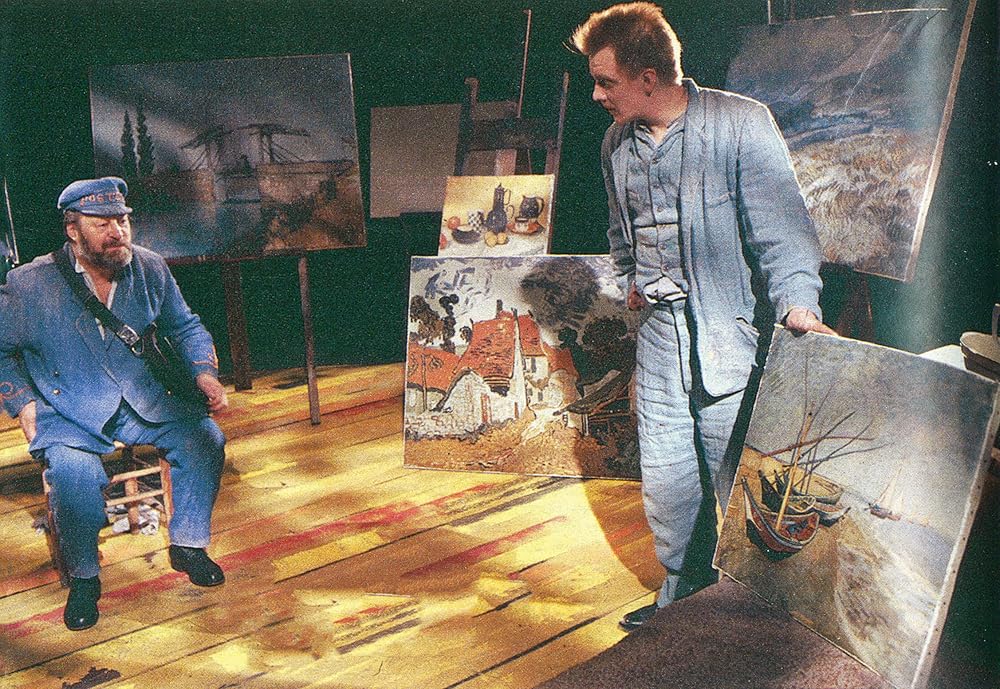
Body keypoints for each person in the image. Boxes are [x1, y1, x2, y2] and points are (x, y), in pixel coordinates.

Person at [571, 3, 836, 631]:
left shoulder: (739, 124)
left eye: (605, 81)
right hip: (659, 341)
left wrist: (799, 304)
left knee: (737, 480)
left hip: (727, 335)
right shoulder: (615, 144)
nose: (596, 94)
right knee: (668, 481)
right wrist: (631, 278)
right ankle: (683, 605)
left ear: (648, 78)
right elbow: (621, 233)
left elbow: (784, 233)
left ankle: (760, 623)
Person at [0, 177, 230, 631]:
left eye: (122, 220)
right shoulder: (29, 284)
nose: (117, 231)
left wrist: (204, 372)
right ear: (73, 230)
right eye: (102, 223)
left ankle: (188, 544)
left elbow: (185, 326)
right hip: (70, 409)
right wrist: (24, 405)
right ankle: (85, 577)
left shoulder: (149, 267)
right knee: (74, 477)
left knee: (206, 439)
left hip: (144, 399)